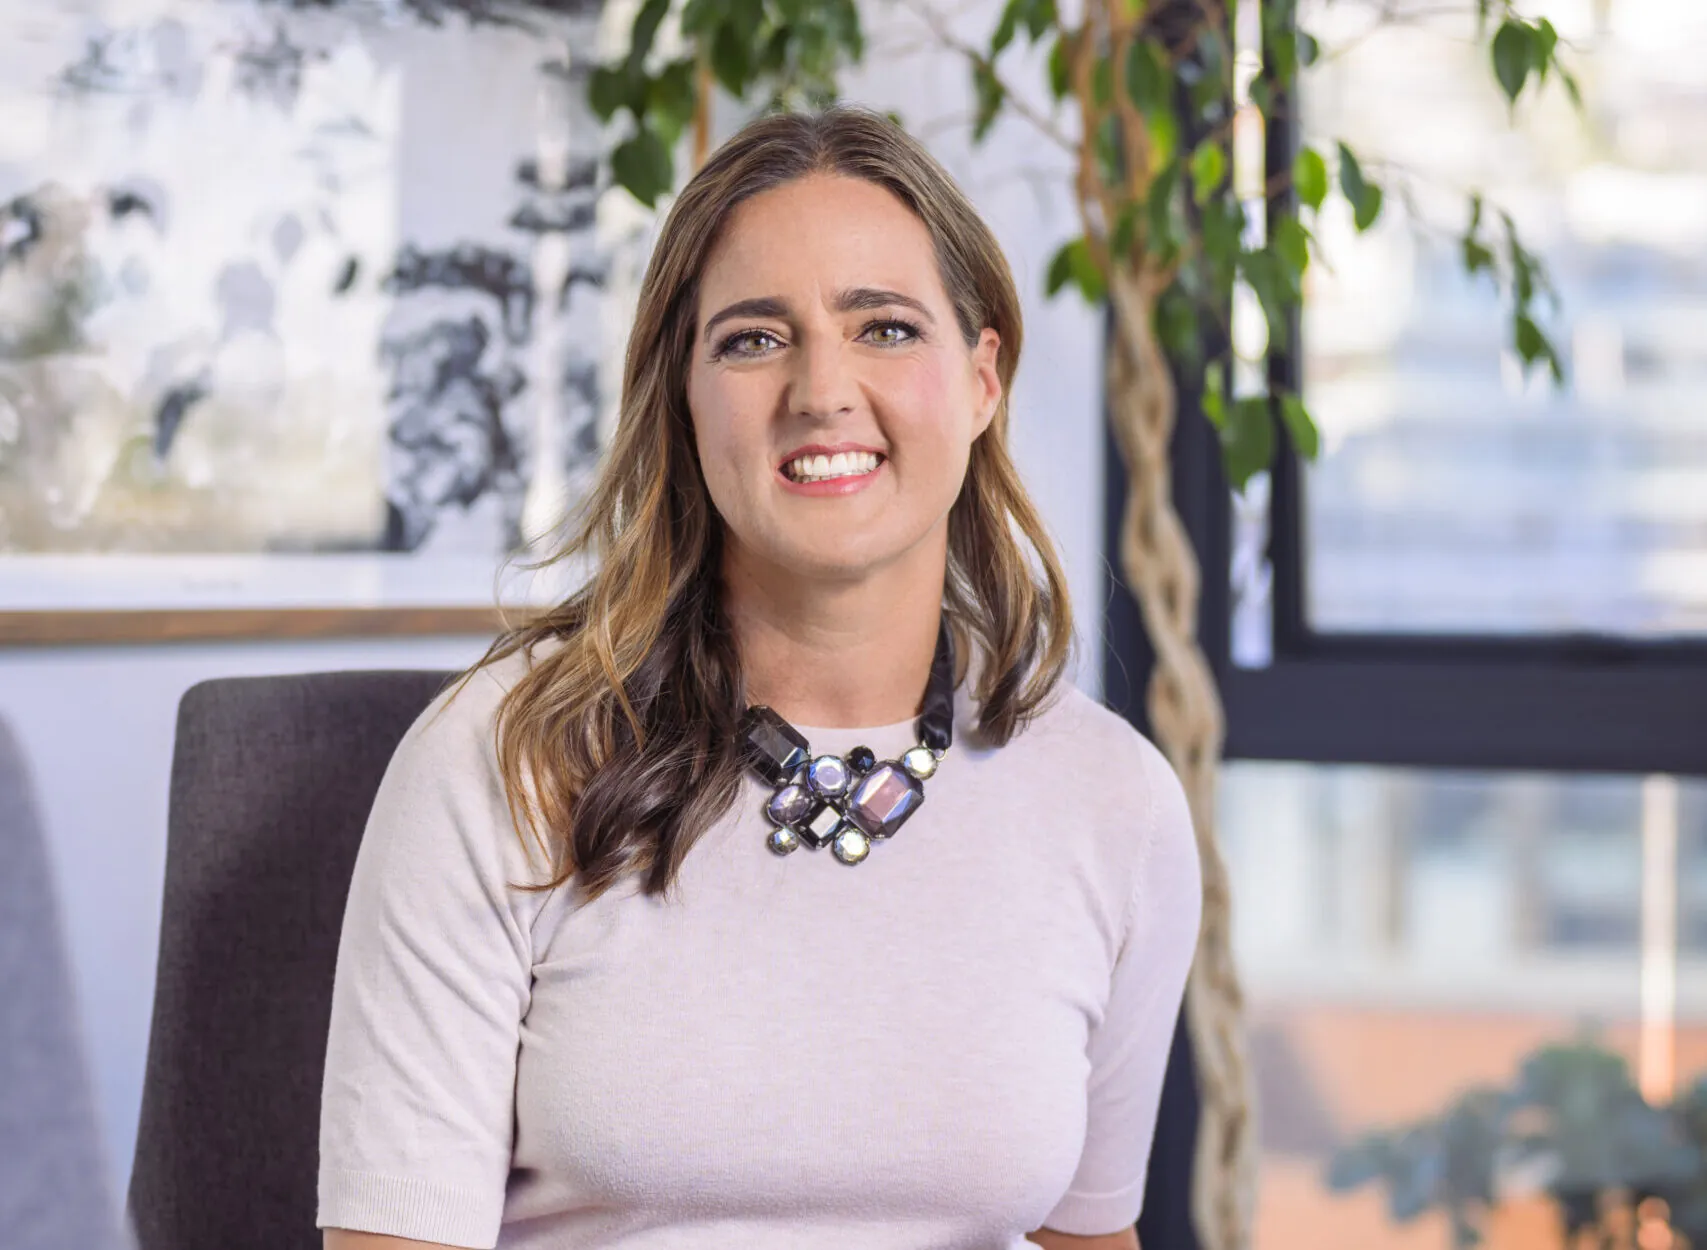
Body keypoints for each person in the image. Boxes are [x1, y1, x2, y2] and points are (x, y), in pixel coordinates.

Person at [318, 104, 1201, 1250]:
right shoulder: (499, 760)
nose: (822, 390)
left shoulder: (1114, 802)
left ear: (983, 378)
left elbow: (1091, 1237)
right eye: (752, 338)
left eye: (884, 327)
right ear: (683, 400)